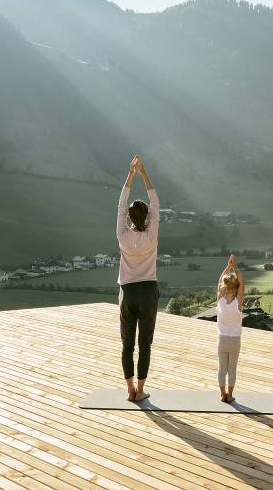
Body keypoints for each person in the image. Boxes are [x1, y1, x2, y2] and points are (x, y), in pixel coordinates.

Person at [116, 154, 160, 402]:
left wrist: (130, 174)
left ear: (130, 218)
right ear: (146, 217)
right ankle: (141, 391)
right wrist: (143, 173)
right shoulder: (151, 235)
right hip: (148, 292)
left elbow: (121, 206)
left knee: (127, 344)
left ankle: (130, 390)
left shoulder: (122, 235)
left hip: (128, 292)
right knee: (145, 344)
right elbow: (155, 202)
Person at [216, 253, 245, 403]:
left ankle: (222, 395)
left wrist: (228, 266)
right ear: (237, 288)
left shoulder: (220, 300)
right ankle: (230, 395)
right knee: (232, 369)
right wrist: (236, 267)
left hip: (222, 340)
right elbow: (242, 285)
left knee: (222, 368)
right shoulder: (238, 303)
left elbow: (220, 279)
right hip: (235, 340)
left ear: (224, 287)